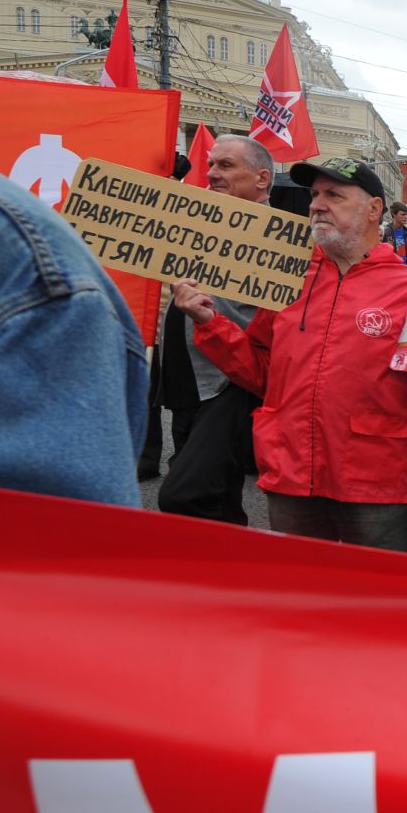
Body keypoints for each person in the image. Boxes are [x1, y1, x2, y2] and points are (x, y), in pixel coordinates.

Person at [178, 156, 407, 550]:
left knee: (375, 600)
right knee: (300, 595)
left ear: (374, 209)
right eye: (315, 195)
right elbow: (262, 372)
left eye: (334, 195)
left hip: (373, 479)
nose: (317, 205)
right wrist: (211, 325)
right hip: (290, 471)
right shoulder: (288, 277)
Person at [0, 125, 148, 506]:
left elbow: (43, 545)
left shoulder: (27, 265)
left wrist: (209, 324)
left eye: (225, 164)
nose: (213, 172)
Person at [159, 134, 271, 524]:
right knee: (216, 498)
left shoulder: (282, 240)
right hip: (187, 377)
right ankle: (219, 574)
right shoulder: (199, 220)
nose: (212, 174)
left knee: (184, 494)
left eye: (226, 166)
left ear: (261, 179)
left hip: (229, 380)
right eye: (211, 165)